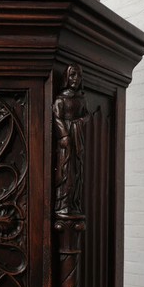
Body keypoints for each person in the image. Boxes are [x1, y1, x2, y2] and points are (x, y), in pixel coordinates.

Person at [53, 64, 89, 215]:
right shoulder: (61, 99)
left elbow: (86, 115)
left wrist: (80, 122)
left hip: (77, 137)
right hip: (67, 139)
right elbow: (57, 117)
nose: (76, 79)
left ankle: (74, 202)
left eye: (78, 75)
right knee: (65, 169)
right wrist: (64, 135)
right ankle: (63, 202)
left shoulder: (81, 99)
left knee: (77, 170)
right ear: (66, 77)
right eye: (72, 75)